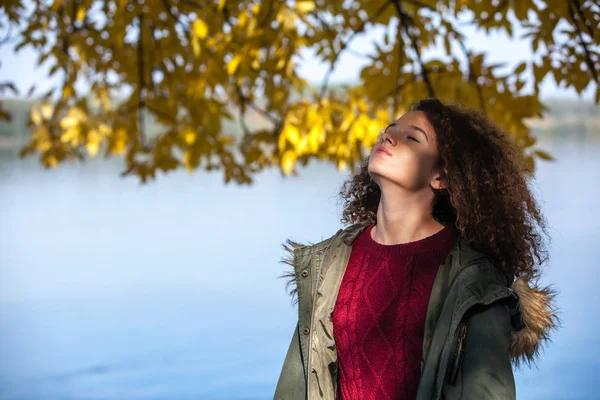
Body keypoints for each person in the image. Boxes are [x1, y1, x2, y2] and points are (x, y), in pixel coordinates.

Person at [273, 98, 560, 400]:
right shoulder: (329, 262)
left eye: (412, 138)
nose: (388, 137)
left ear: (440, 176)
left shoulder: (474, 281)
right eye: (389, 130)